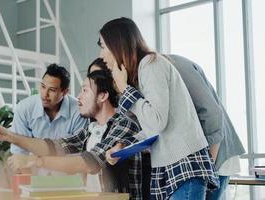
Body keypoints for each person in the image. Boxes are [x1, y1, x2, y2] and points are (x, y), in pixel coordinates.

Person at [0, 69, 144, 200]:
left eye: (85, 90)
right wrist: (11, 136)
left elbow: (88, 162)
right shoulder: (90, 129)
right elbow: (55, 147)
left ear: (103, 95)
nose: (79, 96)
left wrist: (35, 160)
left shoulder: (124, 124)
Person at [100, 17, 218, 200]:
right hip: (173, 167)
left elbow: (157, 121)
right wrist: (125, 146)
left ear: (117, 45)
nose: (102, 55)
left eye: (103, 46)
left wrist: (125, 89)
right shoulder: (143, 70)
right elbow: (154, 128)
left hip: (183, 166)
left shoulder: (150, 65)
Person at [167, 54, 245, 200]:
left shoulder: (176, 65)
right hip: (200, 160)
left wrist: (207, 168)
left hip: (217, 153)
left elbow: (213, 115)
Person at [10, 64, 87, 155]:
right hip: (32, 167)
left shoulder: (79, 110)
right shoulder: (24, 108)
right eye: (43, 86)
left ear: (65, 92)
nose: (44, 94)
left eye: (52, 90)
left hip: (66, 168)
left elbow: (78, 153)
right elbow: (19, 152)